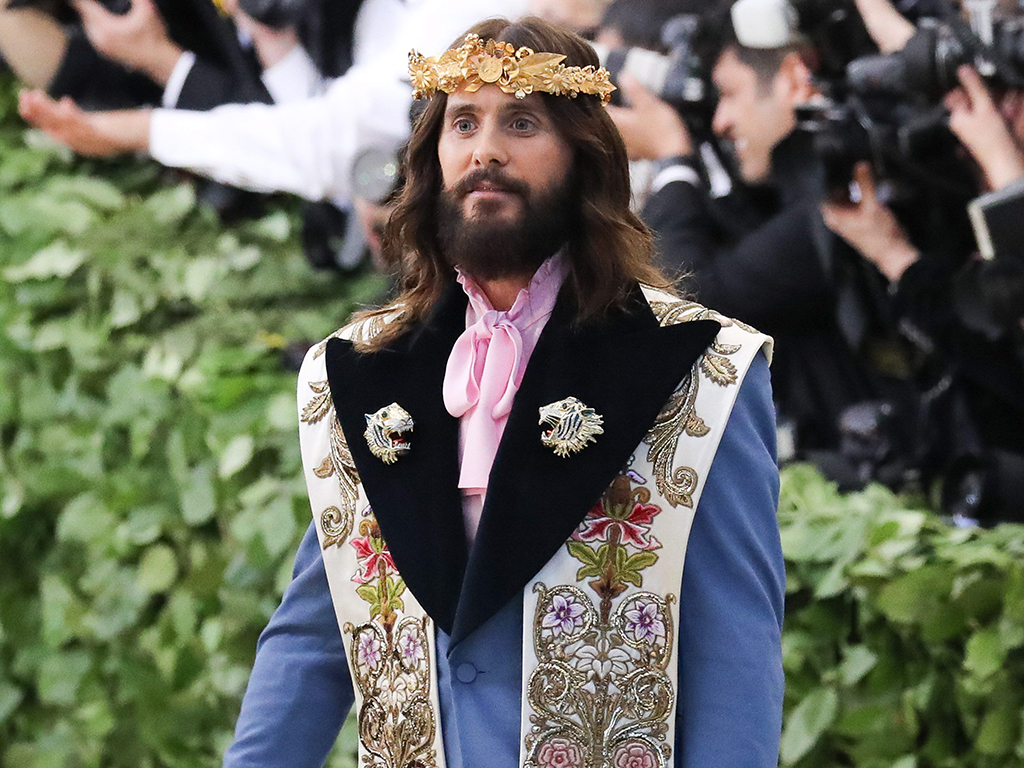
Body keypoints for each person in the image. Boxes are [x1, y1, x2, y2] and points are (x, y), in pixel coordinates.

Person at [229, 16, 784, 768]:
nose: (486, 149)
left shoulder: (699, 367)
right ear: (434, 158)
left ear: (582, 158)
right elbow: (314, 636)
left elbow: (736, 658)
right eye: (463, 122)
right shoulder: (361, 371)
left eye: (521, 122)